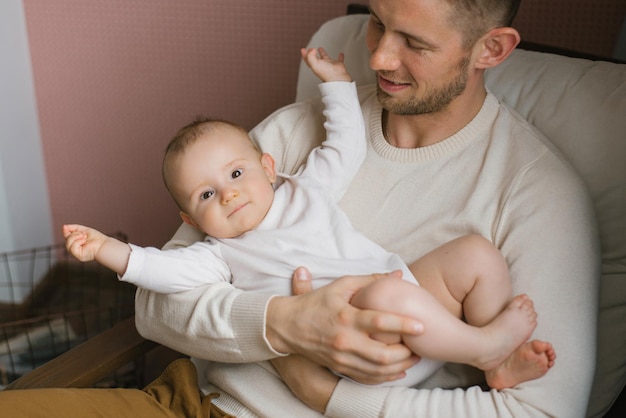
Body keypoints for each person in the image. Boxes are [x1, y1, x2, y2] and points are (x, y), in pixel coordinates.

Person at [132, 1, 598, 417]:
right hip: (188, 399)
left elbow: (539, 411)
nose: (377, 58)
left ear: (491, 49)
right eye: (377, 22)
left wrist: (326, 396)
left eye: (414, 41)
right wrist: (283, 327)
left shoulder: (537, 194)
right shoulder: (289, 135)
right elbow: (155, 306)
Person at [63, 47, 554, 392]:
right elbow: (161, 274)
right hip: (354, 347)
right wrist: (105, 247)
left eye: (236, 173)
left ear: (269, 168)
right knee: (384, 291)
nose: (230, 193)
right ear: (190, 217)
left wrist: (337, 86)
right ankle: (483, 346)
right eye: (208, 194)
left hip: (410, 308)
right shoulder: (217, 256)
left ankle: (499, 361)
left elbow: (344, 148)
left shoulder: (303, 189)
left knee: (475, 254)